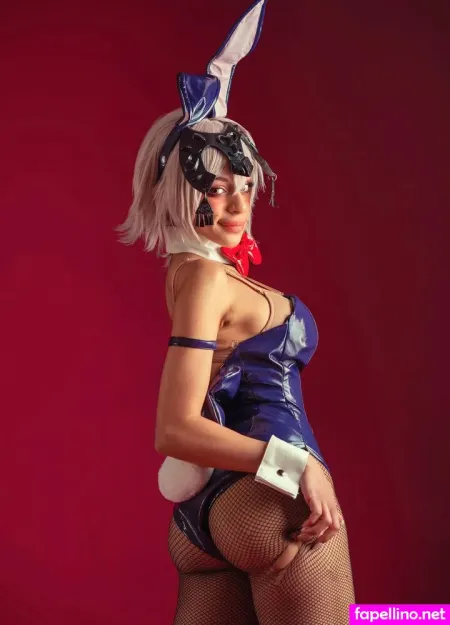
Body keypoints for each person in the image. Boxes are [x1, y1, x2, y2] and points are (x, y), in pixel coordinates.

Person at [118, 1, 355, 623]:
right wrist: (298, 466)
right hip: (272, 499)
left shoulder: (194, 272)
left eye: (245, 186)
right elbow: (174, 429)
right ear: (178, 191)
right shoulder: (202, 277)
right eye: (216, 189)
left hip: (210, 519)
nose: (238, 205)